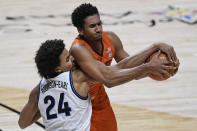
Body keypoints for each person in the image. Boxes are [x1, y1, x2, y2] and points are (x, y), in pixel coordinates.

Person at [18, 39, 174, 131]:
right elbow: (117, 71)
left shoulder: (38, 90)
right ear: (58, 69)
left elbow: (23, 123)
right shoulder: (78, 78)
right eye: (67, 59)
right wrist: (150, 58)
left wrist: (45, 110)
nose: (72, 59)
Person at [70, 3, 179, 131]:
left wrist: (164, 69)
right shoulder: (79, 49)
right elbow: (109, 80)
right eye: (92, 26)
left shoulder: (110, 39)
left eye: (99, 24)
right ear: (80, 30)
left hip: (99, 100)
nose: (98, 29)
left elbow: (133, 72)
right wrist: (151, 57)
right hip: (78, 103)